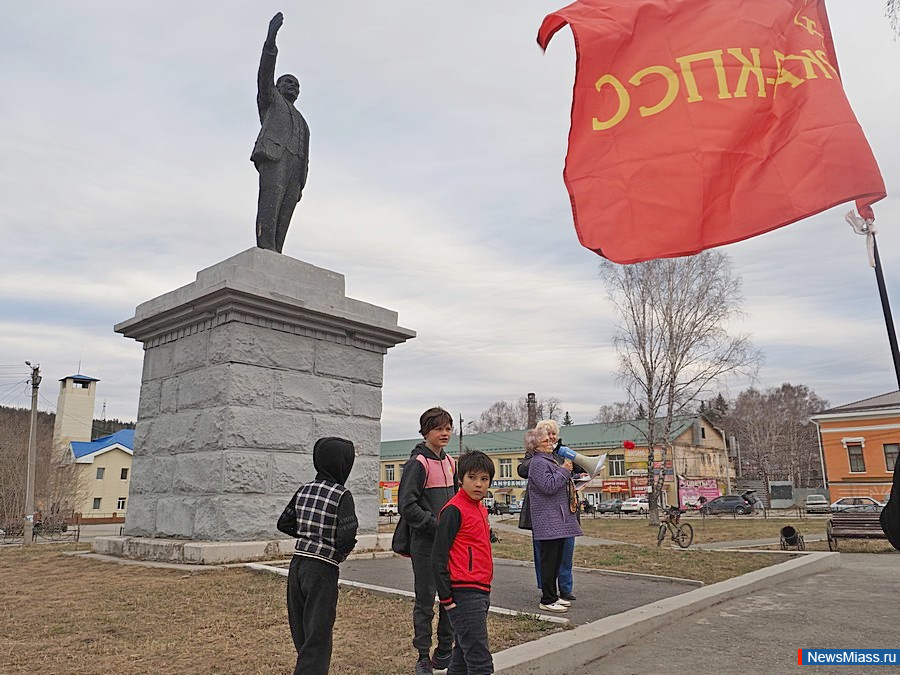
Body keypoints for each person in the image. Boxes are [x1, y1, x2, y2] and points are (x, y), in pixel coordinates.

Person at [286, 437, 359, 675]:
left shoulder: (304, 489)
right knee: (319, 632)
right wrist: (338, 551)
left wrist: (308, 532)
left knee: (302, 628)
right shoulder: (341, 495)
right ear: (343, 464)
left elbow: (284, 522)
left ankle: (307, 666)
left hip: (297, 564)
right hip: (323, 569)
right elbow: (348, 534)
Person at [398, 407, 458, 675]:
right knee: (425, 601)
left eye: (448, 428)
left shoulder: (451, 463)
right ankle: (423, 655)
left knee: (450, 597)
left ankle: (444, 651)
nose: (445, 433)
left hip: (450, 545)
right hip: (425, 545)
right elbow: (406, 506)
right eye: (438, 429)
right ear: (425, 432)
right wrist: (435, 525)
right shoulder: (417, 464)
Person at [432, 451, 496, 675]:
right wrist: (446, 598)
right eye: (472, 477)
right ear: (461, 479)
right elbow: (438, 556)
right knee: (480, 662)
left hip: (481, 589)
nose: (478, 484)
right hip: (463, 592)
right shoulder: (454, 510)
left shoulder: (480, 507)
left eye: (484, 479)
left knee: (461, 656)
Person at [252, 12, 310, 253]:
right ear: (277, 86)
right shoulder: (270, 100)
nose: (293, 87)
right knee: (271, 201)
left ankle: (277, 251)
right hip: (275, 156)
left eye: (296, 85)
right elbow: (265, 73)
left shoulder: (303, 121)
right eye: (288, 82)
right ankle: (266, 250)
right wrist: (270, 41)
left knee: (286, 209)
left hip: (295, 168)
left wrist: (301, 179)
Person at [527, 426, 583, 613]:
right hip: (548, 520)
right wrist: (565, 471)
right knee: (549, 561)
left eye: (551, 440)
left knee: (556, 559)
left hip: (556, 519)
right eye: (546, 441)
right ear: (536, 445)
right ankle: (547, 598)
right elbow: (548, 486)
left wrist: (574, 475)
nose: (551, 443)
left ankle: (553, 596)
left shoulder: (547, 460)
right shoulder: (538, 462)